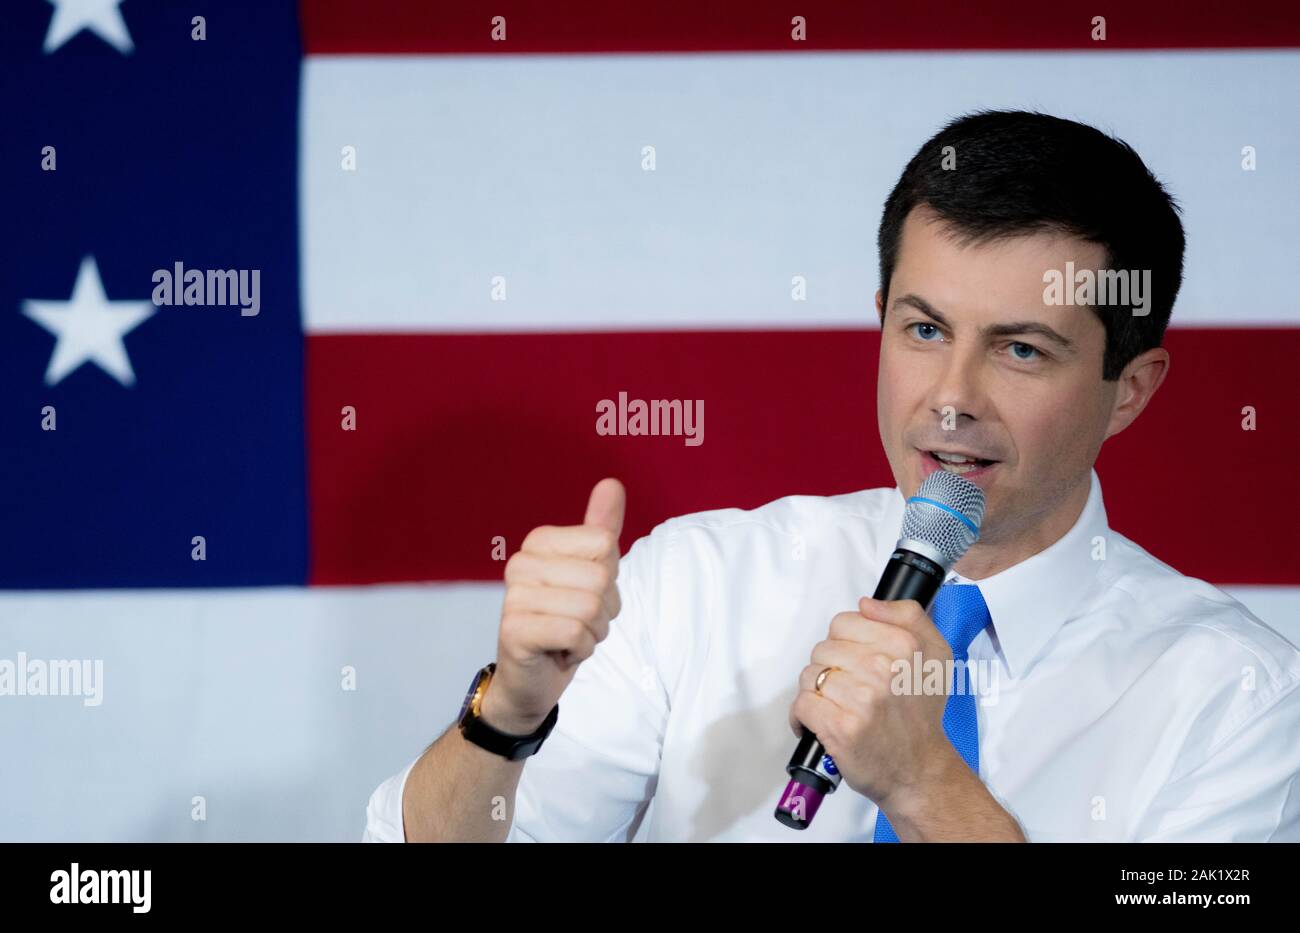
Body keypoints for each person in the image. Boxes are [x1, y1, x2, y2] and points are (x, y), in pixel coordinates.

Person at [364, 110, 1300, 842]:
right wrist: (510, 714)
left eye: (1020, 348)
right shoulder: (698, 584)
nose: (950, 397)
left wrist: (924, 785)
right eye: (924, 329)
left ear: (1129, 389)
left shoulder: (1242, 696)